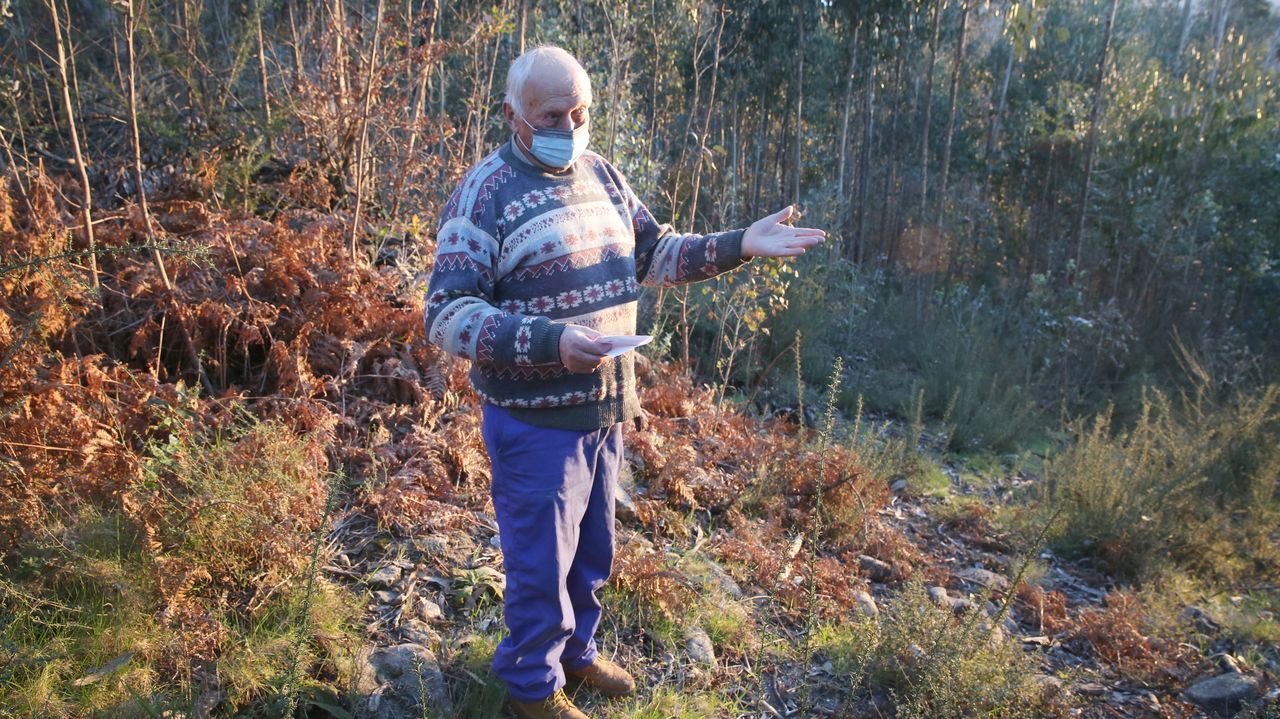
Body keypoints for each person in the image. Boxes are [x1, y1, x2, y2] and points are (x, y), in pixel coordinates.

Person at [424, 45, 825, 719]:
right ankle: (531, 690)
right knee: (538, 563)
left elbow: (655, 251)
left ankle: (576, 653)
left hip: (605, 411)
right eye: (555, 113)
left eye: (581, 111)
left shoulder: (601, 174)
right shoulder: (483, 195)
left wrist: (739, 244)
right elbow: (447, 314)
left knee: (590, 550)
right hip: (533, 422)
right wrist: (552, 340)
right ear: (512, 115)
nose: (570, 125)